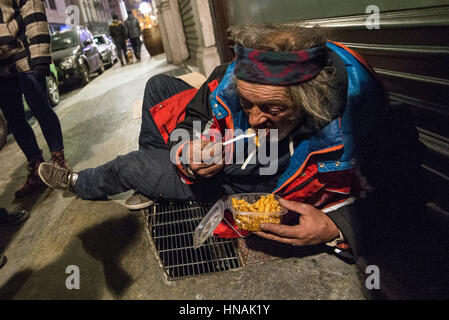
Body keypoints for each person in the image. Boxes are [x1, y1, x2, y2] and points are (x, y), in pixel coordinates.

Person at [38, 24, 429, 258]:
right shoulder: (235, 74)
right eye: (246, 104)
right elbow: (196, 112)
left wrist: (334, 226)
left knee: (129, 166)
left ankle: (81, 183)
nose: (255, 119)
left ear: (309, 100)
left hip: (236, 186)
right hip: (219, 157)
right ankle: (157, 175)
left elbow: (411, 195)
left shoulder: (366, 118)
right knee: (159, 86)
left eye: (273, 110)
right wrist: (189, 145)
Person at [0, 0, 69, 198]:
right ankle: (37, 168)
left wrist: (39, 58)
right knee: (15, 121)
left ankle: (59, 163)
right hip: (1, 69)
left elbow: (34, 10)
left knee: (42, 110)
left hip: (24, 56)